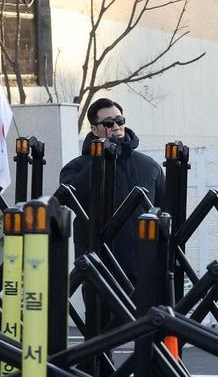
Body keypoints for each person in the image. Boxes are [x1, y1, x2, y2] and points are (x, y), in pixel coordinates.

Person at [59, 97, 165, 279]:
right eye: (109, 123)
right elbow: (71, 200)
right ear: (94, 129)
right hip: (99, 270)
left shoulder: (149, 166)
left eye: (119, 121)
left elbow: (164, 211)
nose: (116, 127)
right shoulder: (76, 167)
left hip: (145, 269)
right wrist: (100, 156)